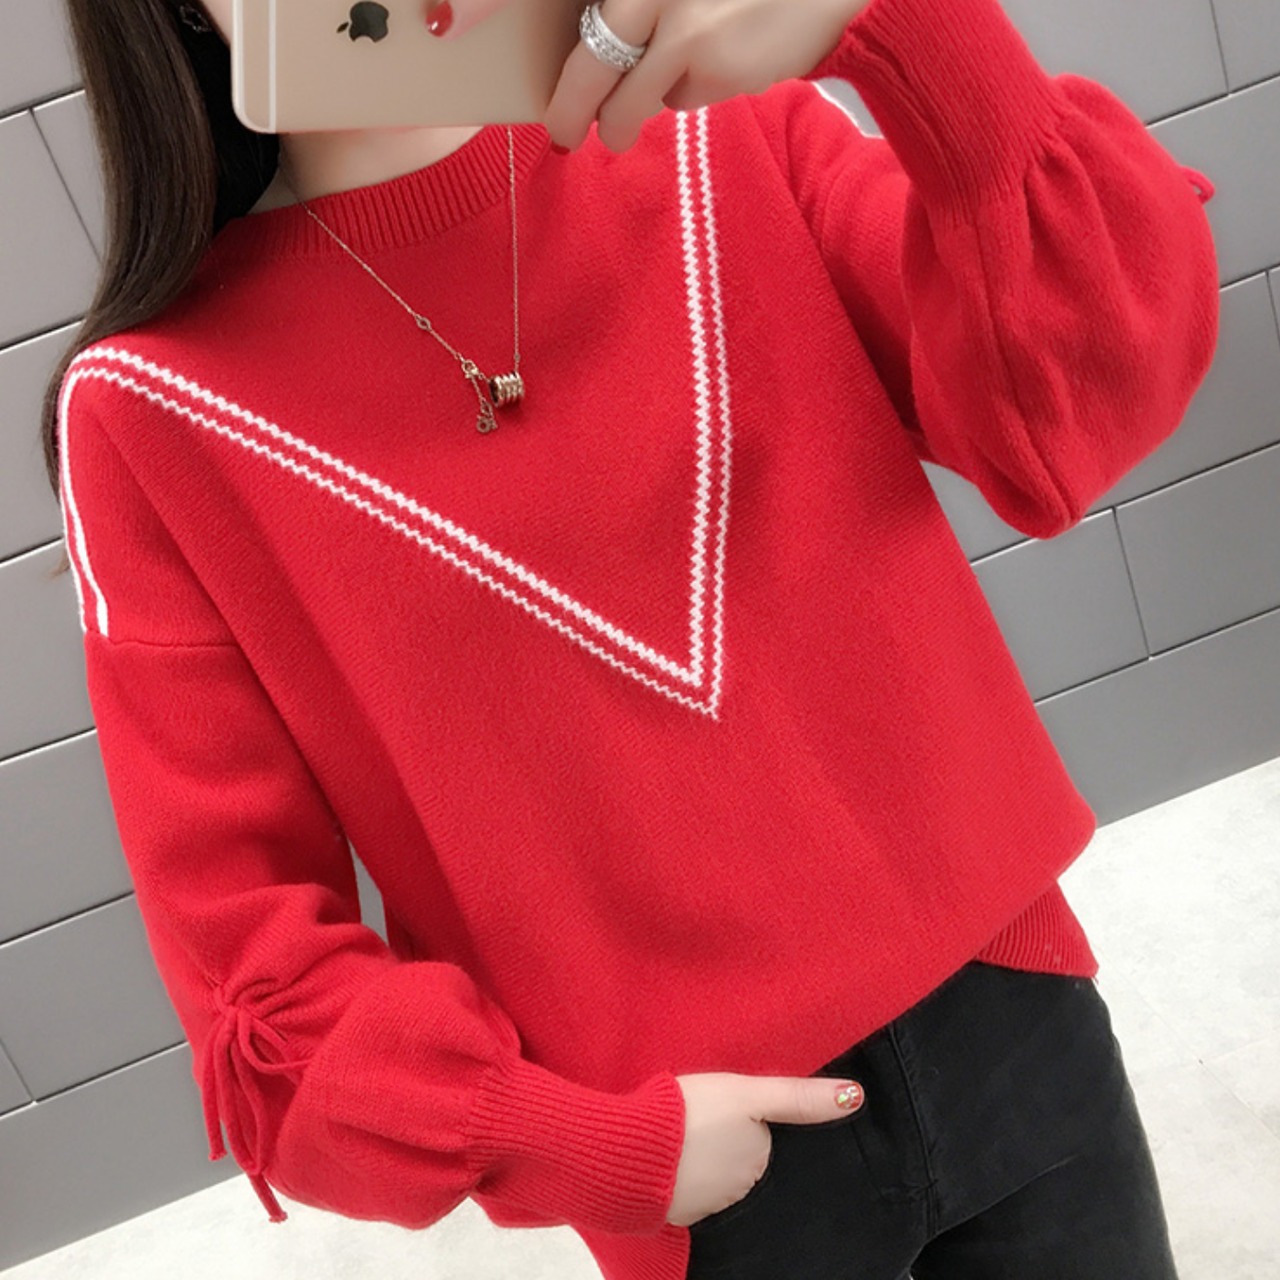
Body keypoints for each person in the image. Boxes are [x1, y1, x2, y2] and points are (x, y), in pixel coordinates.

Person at [40, 0, 1219, 1277]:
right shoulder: (154, 412)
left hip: (1015, 1015)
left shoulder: (722, 133)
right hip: (708, 1193)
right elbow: (250, 962)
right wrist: (585, 1146)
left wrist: (899, 20)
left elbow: (1067, 407)